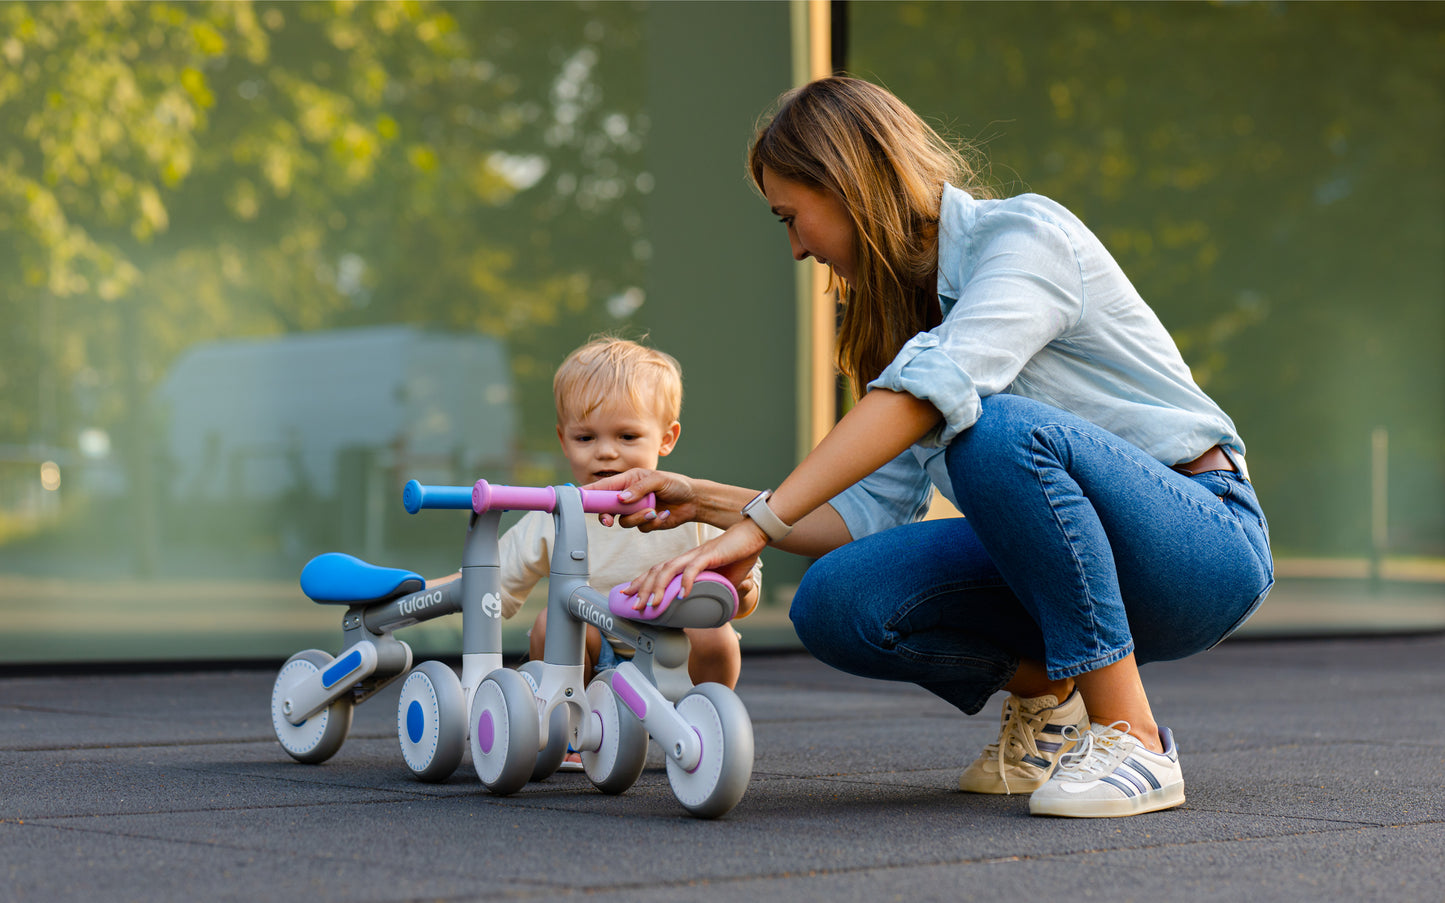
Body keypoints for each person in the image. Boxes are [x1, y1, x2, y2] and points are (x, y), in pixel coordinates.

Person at [590, 76, 1273, 818]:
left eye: (792, 217)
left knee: (993, 428)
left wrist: (755, 525)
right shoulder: (905, 333)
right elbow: (865, 515)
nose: (793, 248)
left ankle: (1132, 737)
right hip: (1063, 574)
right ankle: (1052, 698)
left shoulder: (1024, 237)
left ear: (847, 183)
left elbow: (942, 389)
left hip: (1201, 545)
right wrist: (711, 501)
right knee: (836, 597)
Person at [502, 336, 760, 696]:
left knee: (716, 632)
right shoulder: (555, 513)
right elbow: (491, 583)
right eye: (585, 438)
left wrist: (741, 590)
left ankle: (708, 715)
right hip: (592, 667)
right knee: (551, 624)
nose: (606, 453)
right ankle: (567, 727)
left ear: (666, 439)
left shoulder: (693, 510)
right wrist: (425, 593)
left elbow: (743, 597)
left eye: (627, 436)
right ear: (564, 440)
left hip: (677, 662)